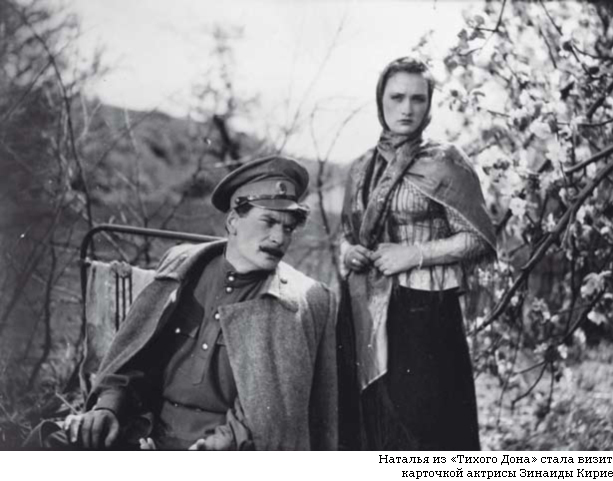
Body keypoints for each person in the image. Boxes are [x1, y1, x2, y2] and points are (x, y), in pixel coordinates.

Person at [26, 155, 338, 450]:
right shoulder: (184, 269)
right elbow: (134, 358)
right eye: (268, 221)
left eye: (288, 227)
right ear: (233, 221)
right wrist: (108, 407)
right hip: (145, 430)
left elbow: (271, 417)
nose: (279, 238)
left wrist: (224, 443)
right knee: (47, 443)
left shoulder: (291, 303)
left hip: (220, 450)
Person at [338, 57, 497, 450]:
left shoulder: (446, 162)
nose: (406, 109)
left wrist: (414, 254)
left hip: (426, 309)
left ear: (429, 104)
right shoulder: (360, 168)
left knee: (425, 426)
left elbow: (478, 239)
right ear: (381, 100)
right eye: (397, 97)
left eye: (417, 99)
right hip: (366, 309)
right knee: (373, 422)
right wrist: (349, 252)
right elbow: (346, 234)